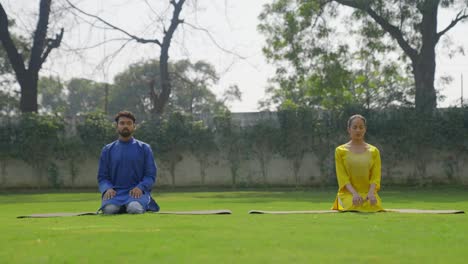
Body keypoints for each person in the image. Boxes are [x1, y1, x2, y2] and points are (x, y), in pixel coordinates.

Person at [97, 111, 159, 214]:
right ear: (116, 126)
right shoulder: (107, 150)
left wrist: (140, 187)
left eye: (129, 123)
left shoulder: (144, 148)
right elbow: (102, 177)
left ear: (134, 126)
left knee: (134, 208)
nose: (125, 126)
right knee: (109, 210)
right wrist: (107, 189)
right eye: (122, 123)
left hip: (136, 193)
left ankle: (140, 204)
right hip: (115, 194)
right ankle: (122, 206)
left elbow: (150, 175)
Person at [332, 114, 384, 212]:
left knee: (373, 206)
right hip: (348, 194)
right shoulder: (340, 150)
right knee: (353, 205)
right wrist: (354, 194)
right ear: (349, 129)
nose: (358, 130)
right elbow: (342, 177)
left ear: (365, 129)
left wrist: (371, 193)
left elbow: (375, 177)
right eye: (355, 127)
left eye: (361, 127)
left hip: (368, 194)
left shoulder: (374, 151)